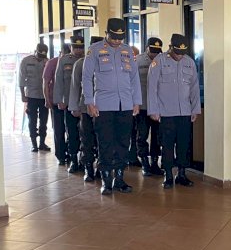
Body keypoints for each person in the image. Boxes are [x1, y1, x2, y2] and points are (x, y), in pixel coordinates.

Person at [82, 19, 141, 195]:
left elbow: (134, 78)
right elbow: (86, 77)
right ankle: (106, 181)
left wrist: (136, 101)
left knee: (123, 142)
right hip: (103, 105)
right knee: (105, 143)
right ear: (107, 33)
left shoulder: (128, 50)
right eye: (114, 37)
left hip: (125, 105)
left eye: (120, 37)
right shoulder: (94, 50)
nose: (117, 41)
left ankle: (120, 179)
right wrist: (89, 101)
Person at [147, 33, 201, 189]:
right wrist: (153, 110)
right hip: (166, 113)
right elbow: (152, 88)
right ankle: (168, 175)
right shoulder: (159, 61)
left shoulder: (190, 62)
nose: (179, 56)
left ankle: (182, 174)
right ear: (170, 47)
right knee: (167, 145)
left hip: (184, 112)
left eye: (182, 53)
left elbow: (194, 88)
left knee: (184, 144)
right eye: (177, 52)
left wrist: (195, 109)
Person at [70, 36, 103, 182]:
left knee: (103, 140)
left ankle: (101, 169)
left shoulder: (108, 62)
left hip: (103, 109)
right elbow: (75, 87)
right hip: (85, 108)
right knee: (87, 140)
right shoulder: (80, 63)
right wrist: (74, 107)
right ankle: (88, 168)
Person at [54, 35, 85, 173]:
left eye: (81, 47)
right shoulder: (64, 60)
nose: (79, 50)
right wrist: (59, 100)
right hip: (69, 102)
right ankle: (73, 160)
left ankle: (85, 159)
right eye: (76, 47)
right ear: (70, 47)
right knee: (71, 133)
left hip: (85, 104)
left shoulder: (88, 60)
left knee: (86, 134)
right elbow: (59, 81)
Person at [135, 37, 164, 177]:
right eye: (153, 51)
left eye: (158, 51)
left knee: (157, 137)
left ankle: (154, 163)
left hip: (158, 106)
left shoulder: (163, 60)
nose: (155, 54)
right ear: (147, 48)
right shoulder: (138, 61)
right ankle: (144, 163)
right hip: (142, 106)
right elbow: (132, 84)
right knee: (142, 135)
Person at [18, 43, 49, 152]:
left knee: (44, 120)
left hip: (44, 96)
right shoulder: (26, 61)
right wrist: (23, 95)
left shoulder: (47, 61)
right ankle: (34, 144)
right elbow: (21, 79)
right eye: (40, 55)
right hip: (31, 95)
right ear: (35, 51)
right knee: (32, 120)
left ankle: (42, 143)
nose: (41, 58)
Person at [44, 44, 70, 166]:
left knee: (71, 129)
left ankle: (70, 153)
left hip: (70, 101)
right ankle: (61, 155)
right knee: (58, 129)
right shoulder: (52, 63)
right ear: (61, 52)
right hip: (56, 101)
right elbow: (45, 82)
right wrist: (47, 99)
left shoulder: (75, 61)